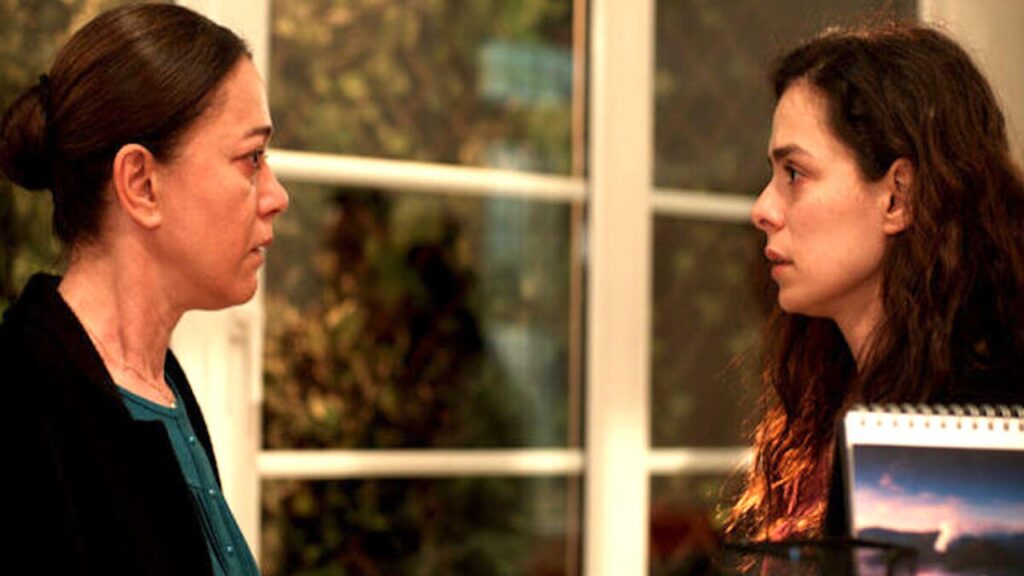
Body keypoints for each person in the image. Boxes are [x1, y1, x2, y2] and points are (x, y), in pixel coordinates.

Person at [0, 4, 288, 574]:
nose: (277, 195)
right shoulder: (21, 407)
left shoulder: (162, 387)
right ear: (141, 184)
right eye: (251, 158)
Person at [729, 21, 1024, 541]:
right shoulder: (832, 395)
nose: (762, 208)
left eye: (794, 173)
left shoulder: (976, 425)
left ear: (897, 196)